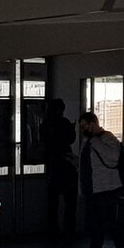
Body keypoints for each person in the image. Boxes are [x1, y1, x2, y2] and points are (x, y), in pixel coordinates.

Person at [76, 111, 124, 248]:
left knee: (101, 220)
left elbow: (112, 158)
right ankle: (112, 246)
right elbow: (87, 164)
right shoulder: (87, 141)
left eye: (84, 126)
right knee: (100, 220)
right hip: (92, 187)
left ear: (93, 124)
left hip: (106, 188)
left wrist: (95, 141)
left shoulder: (107, 138)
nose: (82, 130)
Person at [41, 98, 77, 236]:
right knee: (70, 202)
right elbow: (71, 139)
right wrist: (72, 129)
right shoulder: (64, 122)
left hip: (52, 166)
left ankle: (53, 230)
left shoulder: (45, 124)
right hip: (66, 166)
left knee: (52, 203)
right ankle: (69, 230)